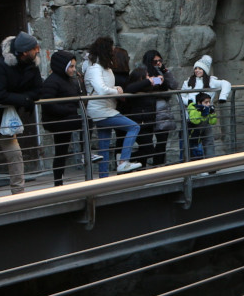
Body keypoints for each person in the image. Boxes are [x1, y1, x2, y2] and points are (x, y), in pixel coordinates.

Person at [0, 33, 42, 197]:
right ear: (24, 52)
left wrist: (22, 98)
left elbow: (37, 90)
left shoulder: (31, 66)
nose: (38, 51)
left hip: (7, 119)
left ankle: (18, 192)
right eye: (35, 48)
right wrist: (24, 98)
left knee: (15, 154)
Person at [85, 37, 143, 176]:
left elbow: (106, 87)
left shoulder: (104, 68)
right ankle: (123, 161)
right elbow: (102, 90)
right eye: (111, 50)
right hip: (101, 110)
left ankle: (104, 179)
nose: (113, 52)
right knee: (134, 126)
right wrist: (116, 91)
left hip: (105, 109)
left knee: (104, 146)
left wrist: (115, 88)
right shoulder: (95, 68)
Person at [39, 50, 90, 186]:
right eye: (71, 66)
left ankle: (58, 182)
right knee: (84, 123)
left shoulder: (67, 80)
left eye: (74, 66)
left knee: (61, 151)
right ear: (63, 66)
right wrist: (69, 110)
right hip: (57, 120)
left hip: (65, 118)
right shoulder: (52, 81)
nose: (74, 69)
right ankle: (85, 153)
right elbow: (48, 104)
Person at [126, 50, 178, 167]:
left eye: (160, 60)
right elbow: (143, 85)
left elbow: (173, 85)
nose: (158, 63)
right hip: (147, 111)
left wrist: (165, 71)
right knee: (147, 146)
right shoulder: (142, 72)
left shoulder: (161, 71)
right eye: (155, 61)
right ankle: (136, 165)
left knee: (161, 142)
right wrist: (155, 80)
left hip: (161, 111)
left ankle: (158, 167)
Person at [180, 55, 230, 158]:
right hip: (190, 118)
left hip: (205, 117)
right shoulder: (188, 82)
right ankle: (189, 167)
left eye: (200, 68)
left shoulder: (212, 81)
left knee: (208, 142)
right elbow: (180, 97)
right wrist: (191, 103)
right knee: (191, 143)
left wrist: (222, 97)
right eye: (196, 68)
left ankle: (210, 166)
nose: (197, 70)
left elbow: (226, 83)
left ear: (205, 70)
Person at [185, 92, 219, 159]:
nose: (208, 104)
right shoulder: (193, 109)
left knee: (209, 143)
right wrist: (201, 112)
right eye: (206, 102)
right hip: (193, 133)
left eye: (209, 102)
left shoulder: (208, 109)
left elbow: (213, 122)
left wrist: (212, 113)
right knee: (194, 151)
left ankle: (211, 163)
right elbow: (195, 121)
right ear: (199, 103)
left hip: (204, 128)